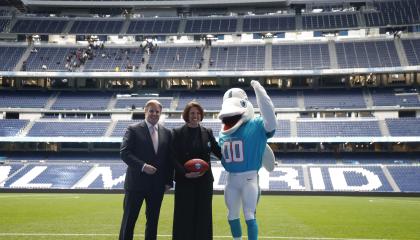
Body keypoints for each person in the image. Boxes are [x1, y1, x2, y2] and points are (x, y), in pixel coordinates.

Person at [218, 80, 277, 240]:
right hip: (230, 179)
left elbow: (270, 121)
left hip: (249, 178)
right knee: (231, 215)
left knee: (249, 214)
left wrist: (259, 91)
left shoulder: (256, 124)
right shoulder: (223, 132)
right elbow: (218, 152)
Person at [119, 99, 173, 240]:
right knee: (129, 221)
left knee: (153, 222)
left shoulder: (167, 133)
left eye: (157, 111)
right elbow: (125, 153)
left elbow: (169, 159)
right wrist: (143, 166)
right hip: (136, 184)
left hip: (157, 186)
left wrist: (168, 181)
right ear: (145, 111)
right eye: (151, 110)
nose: (154, 114)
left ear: (160, 113)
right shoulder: (133, 129)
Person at [171, 101, 222, 240]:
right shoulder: (177, 133)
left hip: (204, 180)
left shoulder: (207, 132)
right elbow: (172, 157)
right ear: (187, 115)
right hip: (185, 180)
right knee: (184, 214)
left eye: (198, 113)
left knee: (204, 214)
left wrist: (233, 158)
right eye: (192, 113)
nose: (196, 116)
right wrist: (185, 173)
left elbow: (218, 151)